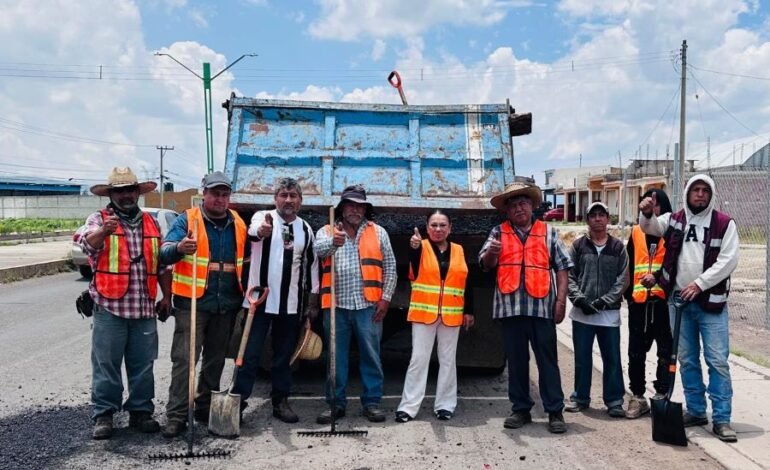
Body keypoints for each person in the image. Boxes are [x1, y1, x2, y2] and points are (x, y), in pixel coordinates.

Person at [639, 174, 739, 442]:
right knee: (687, 359)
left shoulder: (723, 223)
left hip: (710, 304)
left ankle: (722, 418)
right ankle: (696, 410)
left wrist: (700, 284)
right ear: (687, 193)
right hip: (678, 303)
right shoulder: (674, 219)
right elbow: (651, 228)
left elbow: (728, 261)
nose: (700, 195)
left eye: (705, 190)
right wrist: (646, 214)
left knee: (717, 360)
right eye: (695, 190)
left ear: (711, 194)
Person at [80, 167, 171, 440]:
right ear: (111, 194)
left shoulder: (152, 223)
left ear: (137, 192)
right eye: (120, 191)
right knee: (106, 363)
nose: (127, 195)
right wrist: (103, 233)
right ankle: (104, 415)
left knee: (143, 364)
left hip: (143, 307)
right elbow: (86, 245)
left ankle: (141, 412)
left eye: (130, 190)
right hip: (109, 307)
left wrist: (167, 297)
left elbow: (163, 265)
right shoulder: (99, 219)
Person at [161, 171, 249, 438]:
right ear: (204, 194)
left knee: (215, 360)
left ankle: (204, 406)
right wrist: (179, 248)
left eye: (225, 195)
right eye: (215, 194)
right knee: (185, 360)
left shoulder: (238, 223)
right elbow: (163, 252)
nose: (220, 199)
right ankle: (176, 415)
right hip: (193, 304)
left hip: (226, 304)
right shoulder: (187, 220)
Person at [479, 182, 572, 434]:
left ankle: (555, 411)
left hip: (542, 308)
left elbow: (563, 268)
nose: (519, 208)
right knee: (517, 363)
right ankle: (521, 409)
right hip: (510, 309)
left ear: (532, 206)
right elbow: (485, 264)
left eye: (523, 203)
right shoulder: (497, 233)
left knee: (548, 361)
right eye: (513, 205)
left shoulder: (548, 232)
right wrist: (492, 253)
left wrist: (561, 301)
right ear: (507, 211)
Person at [232, 177, 319, 423]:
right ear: (275, 199)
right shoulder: (263, 217)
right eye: (284, 195)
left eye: (293, 196)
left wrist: (312, 300)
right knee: (249, 354)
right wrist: (262, 232)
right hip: (259, 302)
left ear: (300, 201)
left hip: (290, 304)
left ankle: (280, 401)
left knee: (284, 356)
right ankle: (237, 402)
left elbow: (311, 266)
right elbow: (253, 233)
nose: (288, 200)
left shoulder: (305, 229)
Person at [313, 184, 397, 424]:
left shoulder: (378, 232)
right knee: (335, 358)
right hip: (336, 306)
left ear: (365, 209)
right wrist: (334, 243)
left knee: (371, 355)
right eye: (350, 205)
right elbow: (318, 252)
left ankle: (371, 403)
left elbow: (390, 267)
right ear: (341, 208)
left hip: (368, 306)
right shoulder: (327, 230)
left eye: (360, 206)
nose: (355, 210)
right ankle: (335, 404)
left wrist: (386, 298)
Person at [395, 210, 474, 423]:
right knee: (419, 360)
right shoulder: (420, 247)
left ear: (450, 228)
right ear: (426, 227)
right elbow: (412, 266)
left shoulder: (459, 250)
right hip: (424, 313)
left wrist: (469, 310)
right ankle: (408, 407)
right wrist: (413, 247)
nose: (438, 229)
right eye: (434, 225)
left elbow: (467, 281)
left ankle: (445, 406)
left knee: (448, 361)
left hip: (451, 315)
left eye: (442, 225)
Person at [565, 201, 629, 418]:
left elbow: (623, 279)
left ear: (608, 219)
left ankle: (614, 401)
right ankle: (580, 398)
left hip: (608, 315)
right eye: (593, 215)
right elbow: (569, 275)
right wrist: (579, 299)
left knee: (612, 358)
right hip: (582, 314)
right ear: (587, 220)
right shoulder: (577, 246)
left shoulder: (618, 248)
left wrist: (604, 301)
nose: (598, 219)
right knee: (582, 358)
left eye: (602, 215)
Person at [624, 189, 673, 419]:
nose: (652, 208)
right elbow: (628, 265)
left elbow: (676, 265)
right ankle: (638, 396)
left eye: (656, 204)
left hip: (664, 304)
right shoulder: (635, 233)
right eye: (647, 204)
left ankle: (662, 394)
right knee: (636, 352)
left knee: (666, 352)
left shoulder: (672, 231)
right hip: (640, 304)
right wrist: (628, 296)